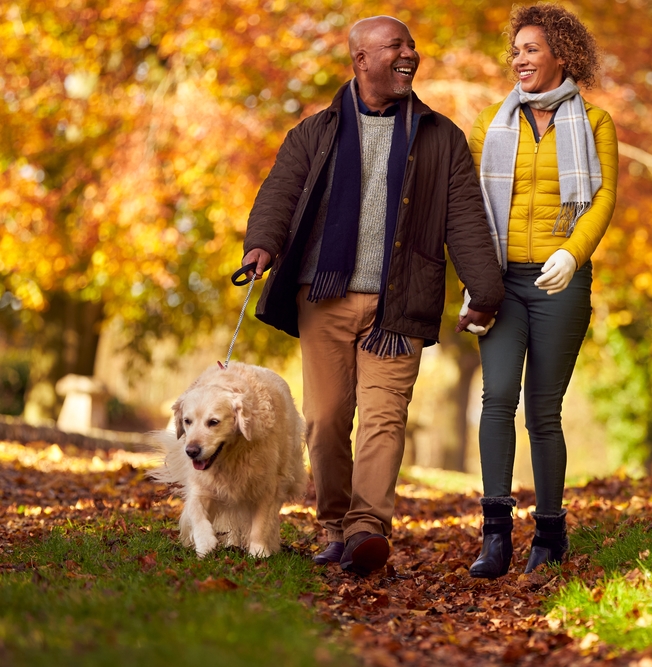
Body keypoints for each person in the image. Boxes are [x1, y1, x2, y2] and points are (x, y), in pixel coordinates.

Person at [242, 16, 505, 576]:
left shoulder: (441, 137)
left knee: (385, 419)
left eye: (412, 44)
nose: (410, 53)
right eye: (396, 46)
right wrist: (260, 246)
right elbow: (279, 192)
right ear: (362, 61)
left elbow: (464, 218)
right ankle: (333, 524)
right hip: (326, 296)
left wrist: (484, 288)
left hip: (400, 303)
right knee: (327, 417)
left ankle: (367, 529)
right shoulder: (315, 132)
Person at [466, 5, 619, 578]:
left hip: (560, 281)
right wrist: (477, 281)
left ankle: (550, 532)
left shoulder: (596, 122)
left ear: (562, 54)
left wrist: (571, 253)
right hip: (502, 281)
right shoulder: (490, 123)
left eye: (531, 49)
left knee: (543, 412)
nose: (519, 59)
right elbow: (472, 208)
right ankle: (495, 535)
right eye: (516, 50)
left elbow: (603, 197)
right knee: (497, 397)